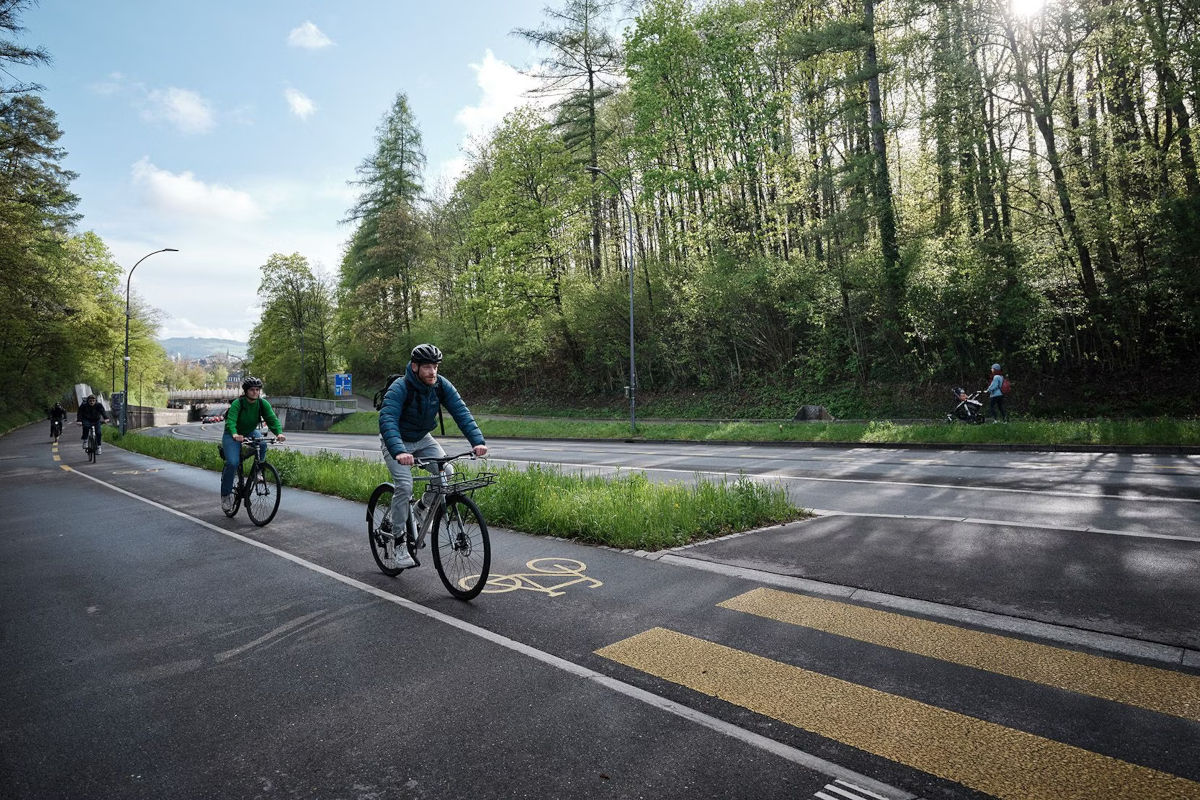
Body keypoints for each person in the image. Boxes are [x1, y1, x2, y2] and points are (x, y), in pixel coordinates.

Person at [379, 343, 487, 567]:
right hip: (396, 442)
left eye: (435, 366)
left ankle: (420, 509)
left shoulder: (440, 385)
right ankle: (399, 542)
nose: (433, 372)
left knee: (446, 472)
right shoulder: (400, 387)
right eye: (427, 367)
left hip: (422, 438)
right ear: (415, 367)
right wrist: (399, 451)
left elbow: (460, 411)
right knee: (405, 485)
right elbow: (388, 420)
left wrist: (477, 441)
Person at [221, 376, 286, 512]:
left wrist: (278, 433)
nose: (255, 392)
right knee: (233, 463)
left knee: (262, 444)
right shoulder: (238, 403)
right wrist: (234, 434)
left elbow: (272, 419)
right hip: (232, 434)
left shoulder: (262, 403)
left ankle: (258, 471)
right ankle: (226, 495)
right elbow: (231, 420)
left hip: (250, 431)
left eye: (257, 390)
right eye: (252, 390)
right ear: (246, 391)